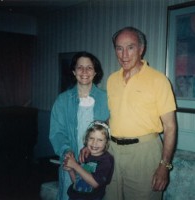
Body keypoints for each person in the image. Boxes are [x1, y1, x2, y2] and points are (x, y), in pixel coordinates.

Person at [105, 26, 177, 200]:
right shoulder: (112, 79)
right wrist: (94, 137)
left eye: (130, 47)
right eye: (119, 48)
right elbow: (116, 116)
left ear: (141, 49)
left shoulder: (158, 80)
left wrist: (164, 166)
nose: (124, 55)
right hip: (112, 151)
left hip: (144, 153)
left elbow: (170, 127)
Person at [49, 51, 109, 200]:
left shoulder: (106, 98)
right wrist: (66, 151)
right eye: (80, 67)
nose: (84, 71)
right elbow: (57, 133)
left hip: (96, 165)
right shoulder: (62, 100)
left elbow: (110, 130)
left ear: (95, 72)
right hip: (71, 161)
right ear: (74, 71)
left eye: (89, 67)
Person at [63, 120, 114, 200]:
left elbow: (95, 183)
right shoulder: (85, 155)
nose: (94, 143)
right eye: (91, 138)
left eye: (100, 140)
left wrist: (75, 166)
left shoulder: (106, 160)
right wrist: (71, 170)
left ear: (106, 142)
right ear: (86, 139)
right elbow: (77, 182)